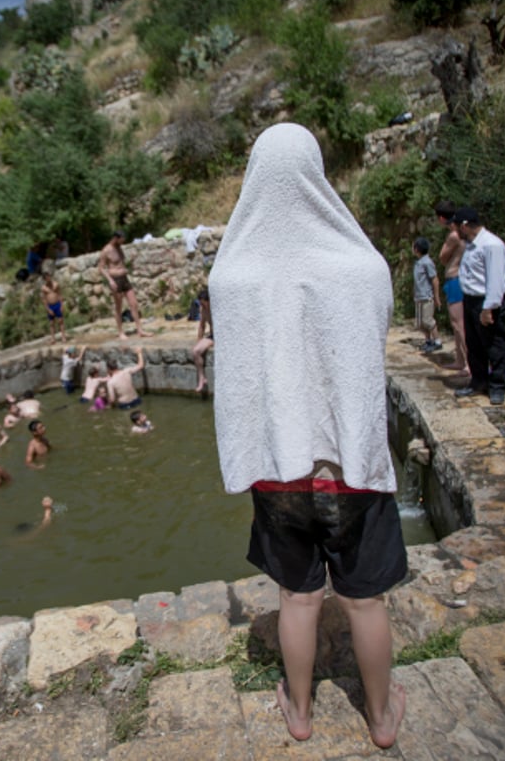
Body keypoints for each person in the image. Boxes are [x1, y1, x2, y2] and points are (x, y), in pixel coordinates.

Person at [210, 124, 407, 749]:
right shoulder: (362, 264)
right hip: (348, 464)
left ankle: (298, 712)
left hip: (279, 472)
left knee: (297, 600)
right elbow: (367, 345)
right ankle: (380, 718)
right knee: (365, 604)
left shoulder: (231, 275)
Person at [454, 206, 505, 406]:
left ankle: (497, 387)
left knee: (494, 346)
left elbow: (495, 280)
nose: (456, 233)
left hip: (487, 302)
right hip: (471, 300)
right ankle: (478, 381)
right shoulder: (471, 245)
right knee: (474, 345)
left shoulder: (491, 245)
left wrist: (488, 309)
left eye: (457, 228)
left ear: (465, 226)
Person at [98, 231, 153, 340]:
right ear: (115, 238)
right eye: (121, 240)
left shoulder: (119, 247)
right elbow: (100, 268)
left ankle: (140, 330)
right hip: (115, 280)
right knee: (119, 307)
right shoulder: (106, 250)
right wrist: (110, 280)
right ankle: (120, 332)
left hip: (124, 278)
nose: (123, 242)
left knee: (134, 304)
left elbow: (120, 263)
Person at [435, 202, 469, 376]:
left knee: (458, 324)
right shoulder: (462, 234)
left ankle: (469, 364)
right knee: (457, 324)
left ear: (442, 218)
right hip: (457, 280)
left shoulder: (454, 236)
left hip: (455, 279)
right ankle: (460, 360)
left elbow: (442, 257)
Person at [412, 238, 442, 353]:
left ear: (417, 249)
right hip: (419, 296)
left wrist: (436, 297)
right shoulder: (418, 263)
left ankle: (437, 341)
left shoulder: (427, 262)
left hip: (427, 296)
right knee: (421, 323)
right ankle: (428, 340)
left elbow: (435, 280)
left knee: (428, 320)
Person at [192, 289, 214, 393]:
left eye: (203, 303)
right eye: (200, 303)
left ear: (209, 301)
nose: (202, 305)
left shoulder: (217, 309)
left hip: (219, 337)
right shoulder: (204, 310)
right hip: (212, 335)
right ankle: (202, 378)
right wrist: (199, 340)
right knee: (196, 351)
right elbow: (202, 326)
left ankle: (202, 378)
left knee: (197, 350)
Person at [41, 271, 68, 343]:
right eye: (46, 278)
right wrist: (48, 309)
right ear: (44, 279)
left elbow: (60, 294)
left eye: (48, 277)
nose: (48, 279)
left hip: (57, 304)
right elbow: (44, 299)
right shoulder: (43, 288)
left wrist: (62, 305)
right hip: (50, 306)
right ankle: (53, 338)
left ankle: (63, 337)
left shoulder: (56, 284)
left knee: (60, 321)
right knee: (51, 323)